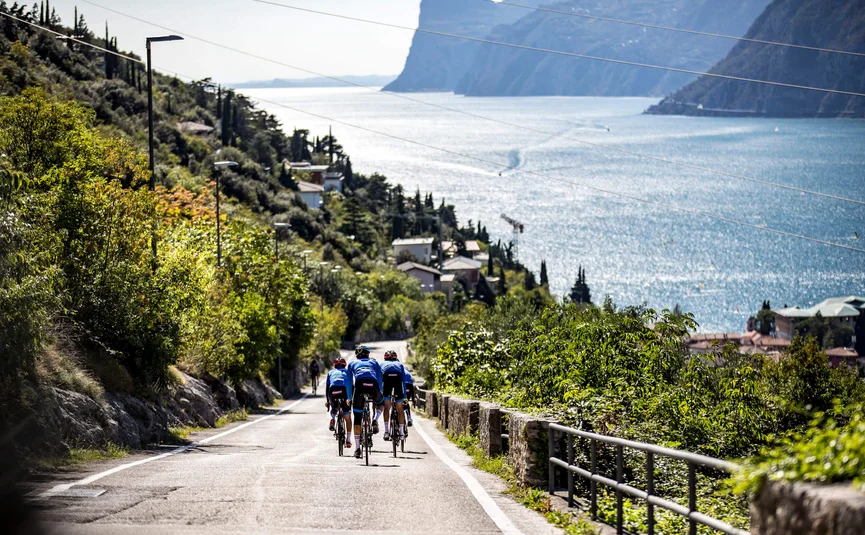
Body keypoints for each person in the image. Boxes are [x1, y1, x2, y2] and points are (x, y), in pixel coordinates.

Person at [347, 345, 383, 459]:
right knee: (381, 403)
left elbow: (348, 382)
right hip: (373, 385)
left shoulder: (352, 364)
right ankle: (375, 420)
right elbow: (380, 379)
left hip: (359, 386)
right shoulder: (374, 363)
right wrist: (379, 392)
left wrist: (349, 397)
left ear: (357, 355)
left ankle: (357, 449)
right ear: (368, 354)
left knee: (357, 417)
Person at [377, 350, 408, 441]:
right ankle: (402, 433)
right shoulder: (400, 365)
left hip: (387, 382)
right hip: (397, 381)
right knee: (400, 409)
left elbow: (379, 380)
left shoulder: (382, 364)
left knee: (387, 408)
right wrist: (404, 396)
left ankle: (386, 432)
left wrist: (381, 392)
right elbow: (403, 382)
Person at [325, 357, 353, 450]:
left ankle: (333, 418)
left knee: (334, 407)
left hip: (332, 390)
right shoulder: (347, 372)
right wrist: (350, 398)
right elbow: (351, 386)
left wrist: (328, 401)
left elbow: (327, 387)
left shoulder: (330, 372)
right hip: (344, 390)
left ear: (335, 365)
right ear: (344, 365)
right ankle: (348, 440)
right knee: (348, 418)